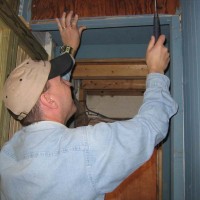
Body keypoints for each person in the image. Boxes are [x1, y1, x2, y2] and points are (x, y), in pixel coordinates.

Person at [0, 11, 178, 200]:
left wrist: (68, 49)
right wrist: (156, 70)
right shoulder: (86, 148)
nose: (69, 83)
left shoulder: (9, 155)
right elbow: (151, 126)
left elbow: (51, 98)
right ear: (49, 101)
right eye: (61, 80)